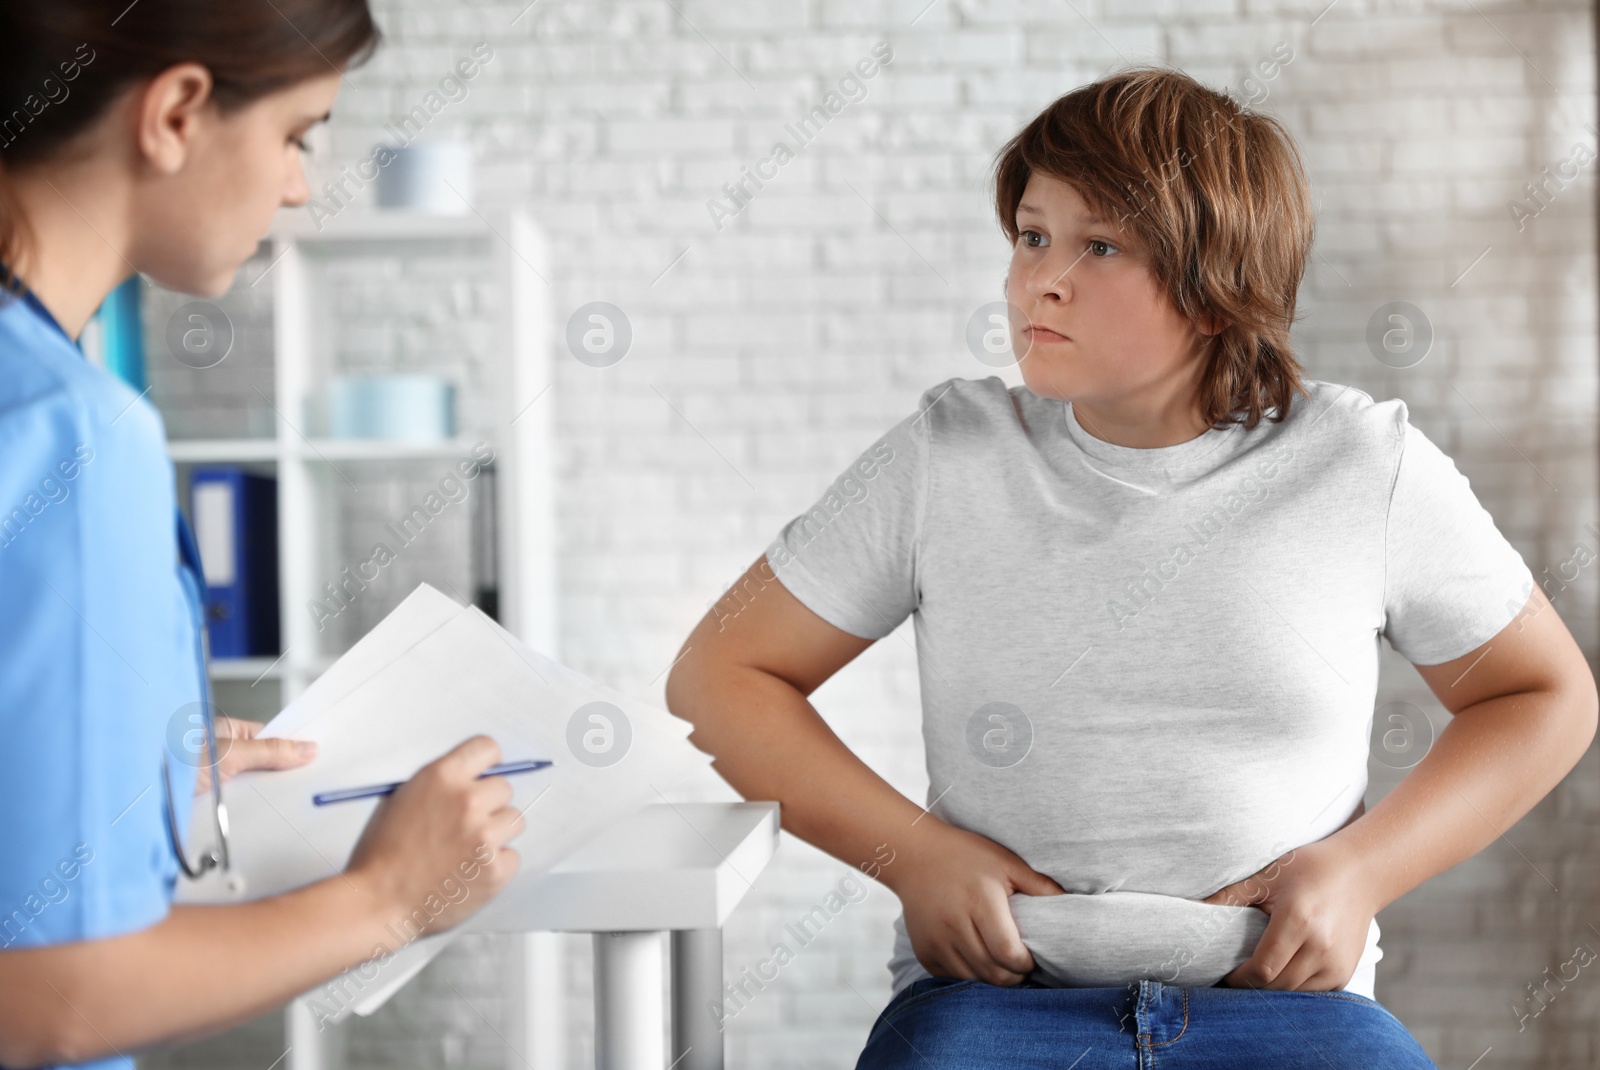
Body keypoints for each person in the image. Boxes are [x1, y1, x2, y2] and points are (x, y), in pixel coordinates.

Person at [665, 66, 1598, 1068]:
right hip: (996, 1004)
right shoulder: (947, 454)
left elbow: (1541, 694)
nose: (1039, 279)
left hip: (1291, 1009)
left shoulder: (1360, 464)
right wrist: (912, 855)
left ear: (1214, 283)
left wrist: (1360, 869)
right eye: (1031, 235)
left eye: (1097, 245)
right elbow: (721, 674)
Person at [0, 6, 523, 1069]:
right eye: (297, 134)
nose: (298, 185)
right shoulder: (72, 432)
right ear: (179, 111)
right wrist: (388, 897)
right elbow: (52, 996)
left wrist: (106, 770)